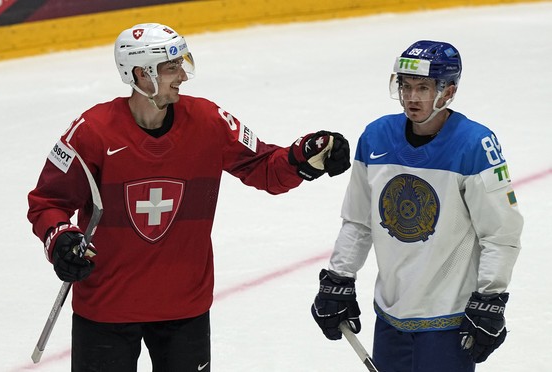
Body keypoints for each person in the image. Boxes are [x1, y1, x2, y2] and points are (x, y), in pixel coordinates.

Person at [27, 23, 351, 371]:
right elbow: (48, 202)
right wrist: (60, 238)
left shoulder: (209, 122)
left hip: (183, 307)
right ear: (140, 73)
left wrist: (302, 156)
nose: (182, 75)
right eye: (171, 68)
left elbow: (264, 168)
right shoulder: (92, 131)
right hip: (108, 308)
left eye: (182, 63)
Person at [310, 40, 523, 372]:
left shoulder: (474, 144)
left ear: (449, 90)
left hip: (448, 322)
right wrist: (340, 276)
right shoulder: (376, 137)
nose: (411, 97)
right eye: (406, 86)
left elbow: (500, 233)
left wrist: (490, 298)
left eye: (423, 87)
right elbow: (359, 221)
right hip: (389, 316)